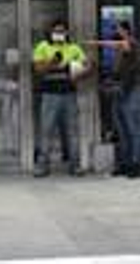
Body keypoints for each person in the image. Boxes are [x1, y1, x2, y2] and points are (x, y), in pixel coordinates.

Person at [32, 18, 89, 178]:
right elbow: (38, 69)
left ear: (66, 33)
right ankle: (42, 166)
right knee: (46, 131)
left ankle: (75, 165)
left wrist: (82, 70)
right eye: (56, 31)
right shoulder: (43, 47)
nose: (59, 34)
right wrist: (53, 62)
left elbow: (86, 66)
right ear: (50, 32)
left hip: (69, 94)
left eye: (62, 31)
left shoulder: (73, 48)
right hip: (49, 95)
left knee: (72, 132)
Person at [107, 20, 140, 178]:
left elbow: (135, 68)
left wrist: (122, 86)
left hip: (131, 92)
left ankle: (138, 165)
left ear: (125, 30)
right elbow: (118, 71)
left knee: (134, 130)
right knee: (122, 131)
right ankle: (125, 163)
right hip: (120, 92)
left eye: (118, 29)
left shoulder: (132, 45)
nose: (116, 32)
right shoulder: (119, 49)